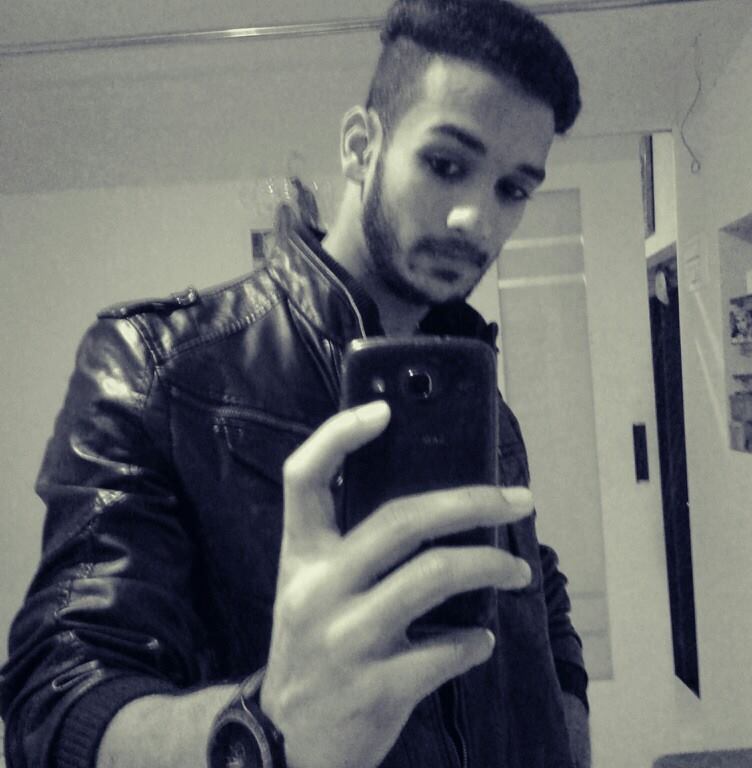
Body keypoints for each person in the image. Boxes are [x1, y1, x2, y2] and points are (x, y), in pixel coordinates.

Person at [0, 1, 590, 766]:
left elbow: (532, 578)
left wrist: (569, 721)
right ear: (360, 146)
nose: (475, 218)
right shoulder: (156, 366)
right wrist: (268, 729)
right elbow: (53, 709)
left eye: (514, 188)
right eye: (446, 164)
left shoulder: (469, 392)